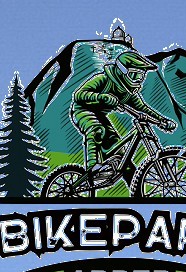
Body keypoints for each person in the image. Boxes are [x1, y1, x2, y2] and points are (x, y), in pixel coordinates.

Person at [66, 23, 169, 188]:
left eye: (141, 77)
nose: (137, 81)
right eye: (134, 74)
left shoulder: (128, 92)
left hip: (100, 115)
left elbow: (143, 108)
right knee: (96, 130)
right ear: (123, 70)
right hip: (83, 110)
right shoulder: (104, 79)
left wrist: (162, 120)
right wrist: (104, 98)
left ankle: (136, 190)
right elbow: (79, 95)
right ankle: (93, 167)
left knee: (121, 154)